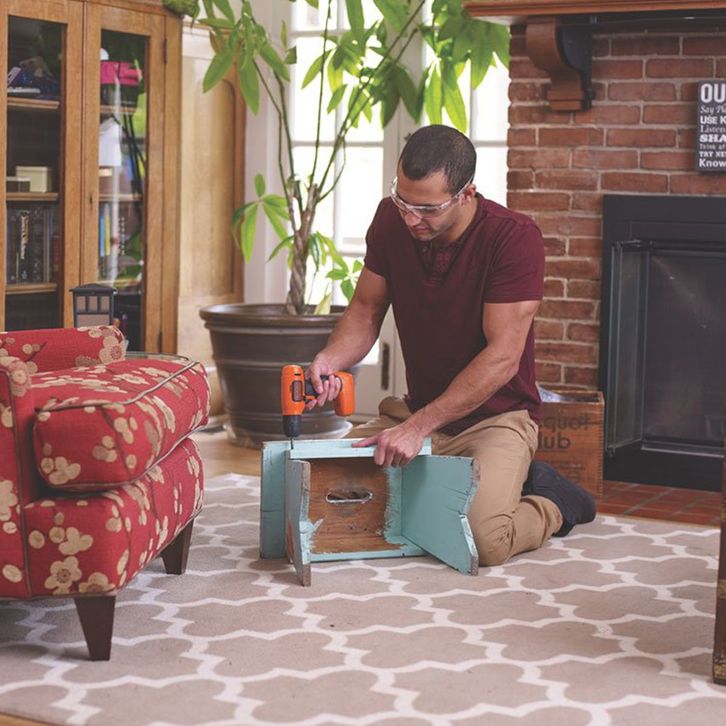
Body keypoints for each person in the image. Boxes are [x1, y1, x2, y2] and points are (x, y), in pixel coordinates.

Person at [305, 125, 595, 566]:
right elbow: (365, 310)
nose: (411, 218)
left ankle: (551, 499)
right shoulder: (390, 220)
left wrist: (419, 427)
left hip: (495, 420)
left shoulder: (514, 238)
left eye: (427, 209)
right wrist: (330, 360)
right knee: (318, 490)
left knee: (483, 540)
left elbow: (502, 358)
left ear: (466, 193)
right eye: (403, 201)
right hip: (415, 413)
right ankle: (459, 486)